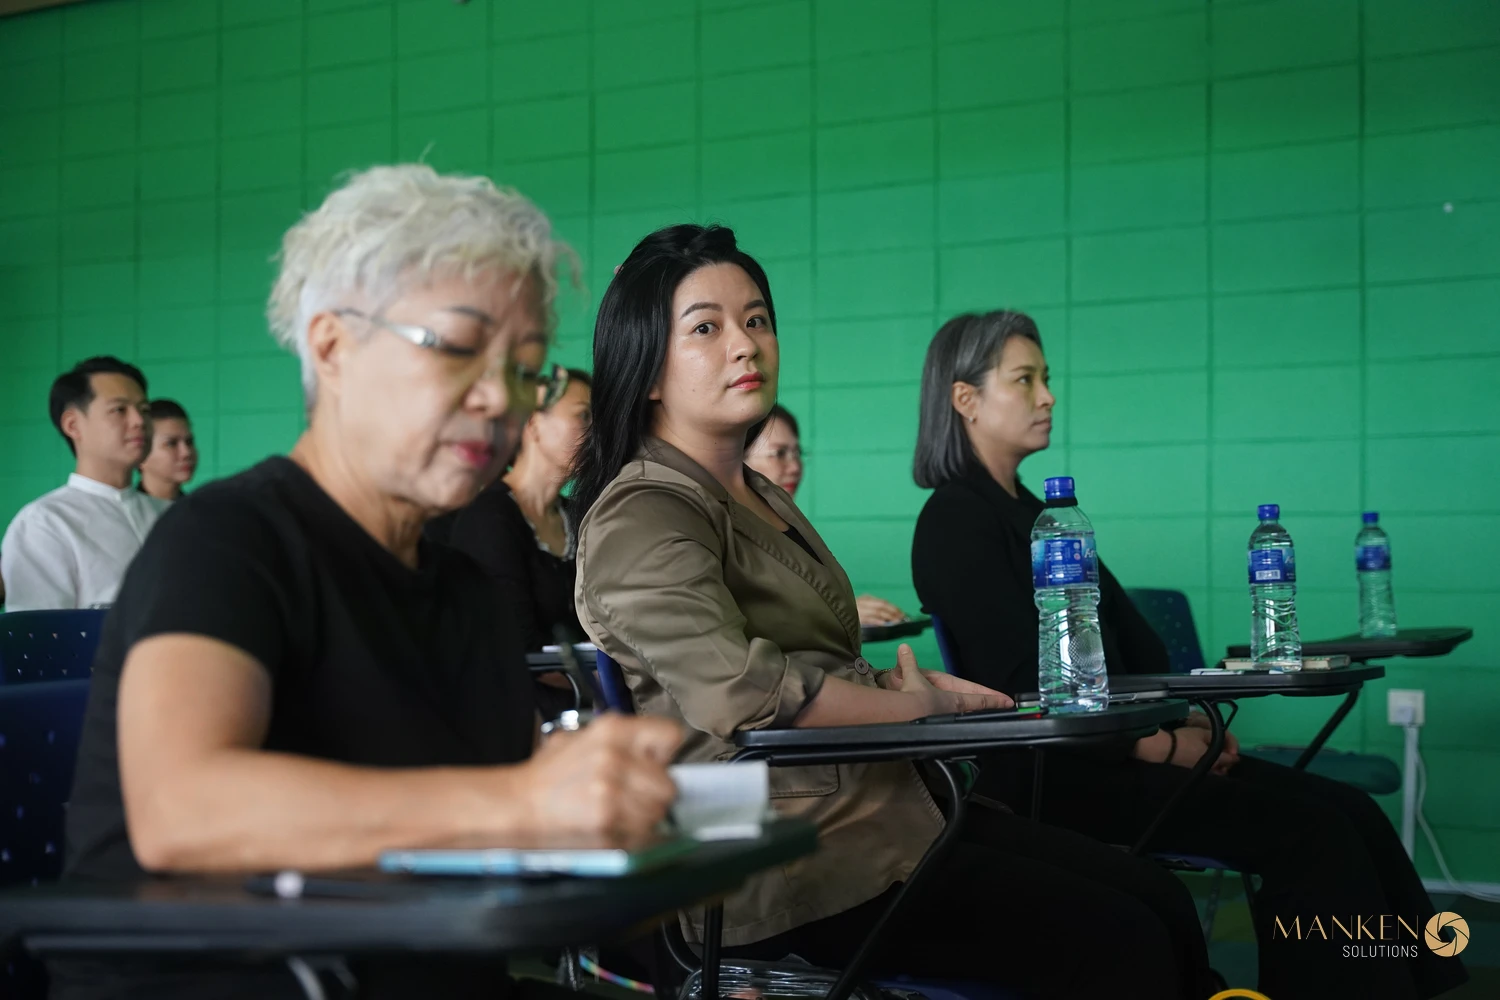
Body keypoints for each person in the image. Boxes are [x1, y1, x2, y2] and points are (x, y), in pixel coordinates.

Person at [56, 165, 682, 1000]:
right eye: (457, 348)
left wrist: (622, 819)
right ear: (332, 346)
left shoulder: (465, 593)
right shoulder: (225, 542)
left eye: (526, 369)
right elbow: (183, 809)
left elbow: (491, 821)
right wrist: (522, 802)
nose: (498, 399)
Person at [570, 224, 1217, 1000]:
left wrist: (901, 688)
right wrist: (918, 709)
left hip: (878, 810)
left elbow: (803, 666)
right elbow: (739, 690)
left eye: (757, 319)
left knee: (1159, 899)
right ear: (647, 367)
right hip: (775, 855)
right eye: (706, 328)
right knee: (1126, 935)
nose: (745, 345)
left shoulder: (755, 494)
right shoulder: (643, 512)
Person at [910, 310, 1467, 1000]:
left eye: (1046, 378)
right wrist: (1159, 746)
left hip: (1120, 748)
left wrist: (1191, 723)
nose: (1048, 395)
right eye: (1025, 380)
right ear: (965, 399)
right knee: (1312, 833)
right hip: (1060, 773)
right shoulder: (956, 521)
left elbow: (1136, 649)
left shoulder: (1042, 514)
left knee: (1351, 811)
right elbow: (1018, 685)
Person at [1, 356, 168, 611]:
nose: (139, 421)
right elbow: (42, 632)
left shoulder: (170, 514)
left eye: (144, 410)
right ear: (73, 425)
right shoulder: (46, 523)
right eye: (119, 410)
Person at [449, 368, 591, 652]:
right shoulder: (488, 519)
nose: (599, 431)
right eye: (584, 415)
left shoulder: (581, 516)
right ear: (533, 424)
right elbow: (513, 645)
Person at [745, 403, 909, 627]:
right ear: (736, 458)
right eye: (779, 454)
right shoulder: (722, 532)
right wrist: (837, 613)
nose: (795, 467)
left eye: (797, 453)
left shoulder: (791, 532)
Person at [137, 399, 198, 501]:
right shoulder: (123, 509)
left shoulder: (199, 509)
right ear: (140, 454)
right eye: (171, 443)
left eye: (189, 442)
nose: (186, 453)